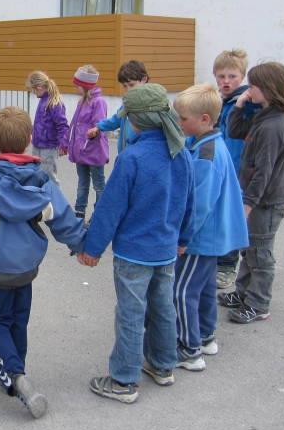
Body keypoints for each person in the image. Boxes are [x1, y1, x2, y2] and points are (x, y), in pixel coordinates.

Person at [0, 107, 86, 419]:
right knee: (17, 320)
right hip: (27, 268)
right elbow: (64, 219)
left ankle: (14, 373)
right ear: (28, 140)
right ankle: (13, 372)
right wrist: (82, 247)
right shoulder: (43, 181)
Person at [77, 83, 195, 404]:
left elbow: (110, 208)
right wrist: (183, 238)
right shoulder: (181, 152)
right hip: (167, 249)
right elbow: (188, 202)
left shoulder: (132, 158)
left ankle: (123, 380)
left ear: (135, 121)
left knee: (131, 313)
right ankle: (162, 365)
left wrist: (92, 248)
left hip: (133, 254)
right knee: (163, 306)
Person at [172, 84, 248, 370]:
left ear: (204, 119)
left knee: (181, 291)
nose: (179, 123)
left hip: (200, 237)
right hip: (213, 236)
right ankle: (205, 336)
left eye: (183, 119)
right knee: (202, 289)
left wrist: (183, 237)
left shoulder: (206, 155)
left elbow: (200, 205)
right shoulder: (211, 144)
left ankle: (188, 349)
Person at [217, 62, 284, 324]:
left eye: (254, 86)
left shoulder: (273, 127)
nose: (249, 90)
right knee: (248, 249)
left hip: (267, 201)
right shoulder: (262, 116)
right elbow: (236, 131)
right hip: (256, 197)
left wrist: (248, 204)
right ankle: (243, 294)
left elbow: (264, 171)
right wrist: (238, 107)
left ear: (270, 90)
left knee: (260, 253)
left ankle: (259, 303)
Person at [212, 49, 261, 289]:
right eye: (221, 76)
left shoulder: (246, 103)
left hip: (239, 171)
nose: (226, 81)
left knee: (232, 219)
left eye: (232, 76)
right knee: (222, 217)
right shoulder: (222, 102)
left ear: (241, 77)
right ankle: (224, 261)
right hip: (222, 168)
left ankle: (227, 267)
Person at [67, 65, 109, 220]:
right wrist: (68, 143)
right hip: (81, 151)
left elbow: (100, 124)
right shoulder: (82, 101)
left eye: (78, 85)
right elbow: (74, 124)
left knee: (98, 184)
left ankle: (99, 213)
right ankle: (79, 212)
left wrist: (94, 131)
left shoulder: (99, 102)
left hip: (94, 151)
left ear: (85, 86)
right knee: (82, 183)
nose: (76, 88)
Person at [87, 60, 149, 155]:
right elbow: (116, 119)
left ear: (144, 79)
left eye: (132, 85)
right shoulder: (126, 104)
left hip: (141, 157)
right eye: (125, 86)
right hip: (124, 155)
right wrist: (99, 127)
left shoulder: (151, 105)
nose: (128, 89)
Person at [26, 71, 69, 183]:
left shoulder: (54, 103)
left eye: (33, 90)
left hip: (48, 147)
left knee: (49, 176)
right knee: (37, 173)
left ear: (39, 87)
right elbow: (40, 122)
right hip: (37, 145)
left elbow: (62, 126)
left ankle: (55, 198)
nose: (33, 93)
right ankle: (41, 197)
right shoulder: (42, 101)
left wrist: (63, 144)